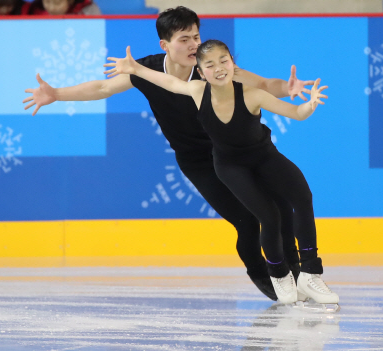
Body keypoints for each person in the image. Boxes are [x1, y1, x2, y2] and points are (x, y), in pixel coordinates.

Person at [23, 6, 311, 301]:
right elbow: (102, 87)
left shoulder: (213, 67)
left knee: (280, 207)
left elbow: (263, 84)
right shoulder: (147, 70)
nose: (193, 45)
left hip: (235, 153)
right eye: (184, 39)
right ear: (165, 45)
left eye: (196, 36)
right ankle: (262, 275)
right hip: (199, 163)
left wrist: (287, 89)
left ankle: (298, 277)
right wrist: (56, 94)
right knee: (246, 220)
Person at [104, 39, 339, 307]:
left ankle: (310, 273)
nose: (219, 68)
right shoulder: (197, 91)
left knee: (302, 196)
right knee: (268, 216)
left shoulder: (251, 94)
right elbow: (168, 82)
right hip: (230, 166)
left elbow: (296, 112)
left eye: (224, 61)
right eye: (210, 64)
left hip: (264, 157)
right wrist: (136, 69)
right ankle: (279, 274)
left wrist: (310, 104)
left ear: (232, 64)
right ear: (201, 72)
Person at [28, 0, 100, 15]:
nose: (52, 8)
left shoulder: (88, 10)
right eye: (47, 2)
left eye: (57, 3)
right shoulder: (35, 9)